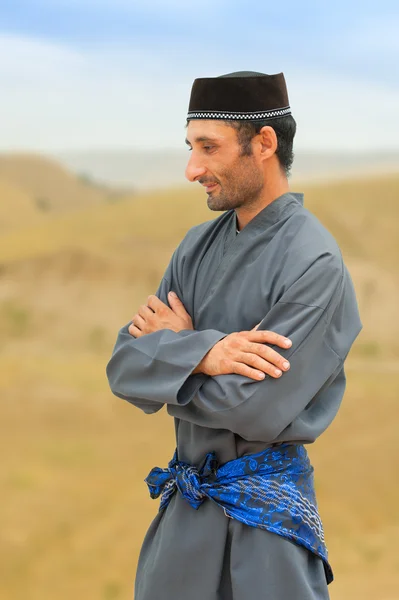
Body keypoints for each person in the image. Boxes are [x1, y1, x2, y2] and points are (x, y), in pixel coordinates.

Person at [106, 71, 362, 600]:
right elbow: (125, 368)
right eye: (190, 147)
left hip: (267, 534)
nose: (192, 169)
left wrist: (176, 354)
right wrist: (208, 353)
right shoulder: (194, 247)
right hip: (182, 525)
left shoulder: (314, 262)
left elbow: (255, 407)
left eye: (208, 147)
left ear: (263, 143)